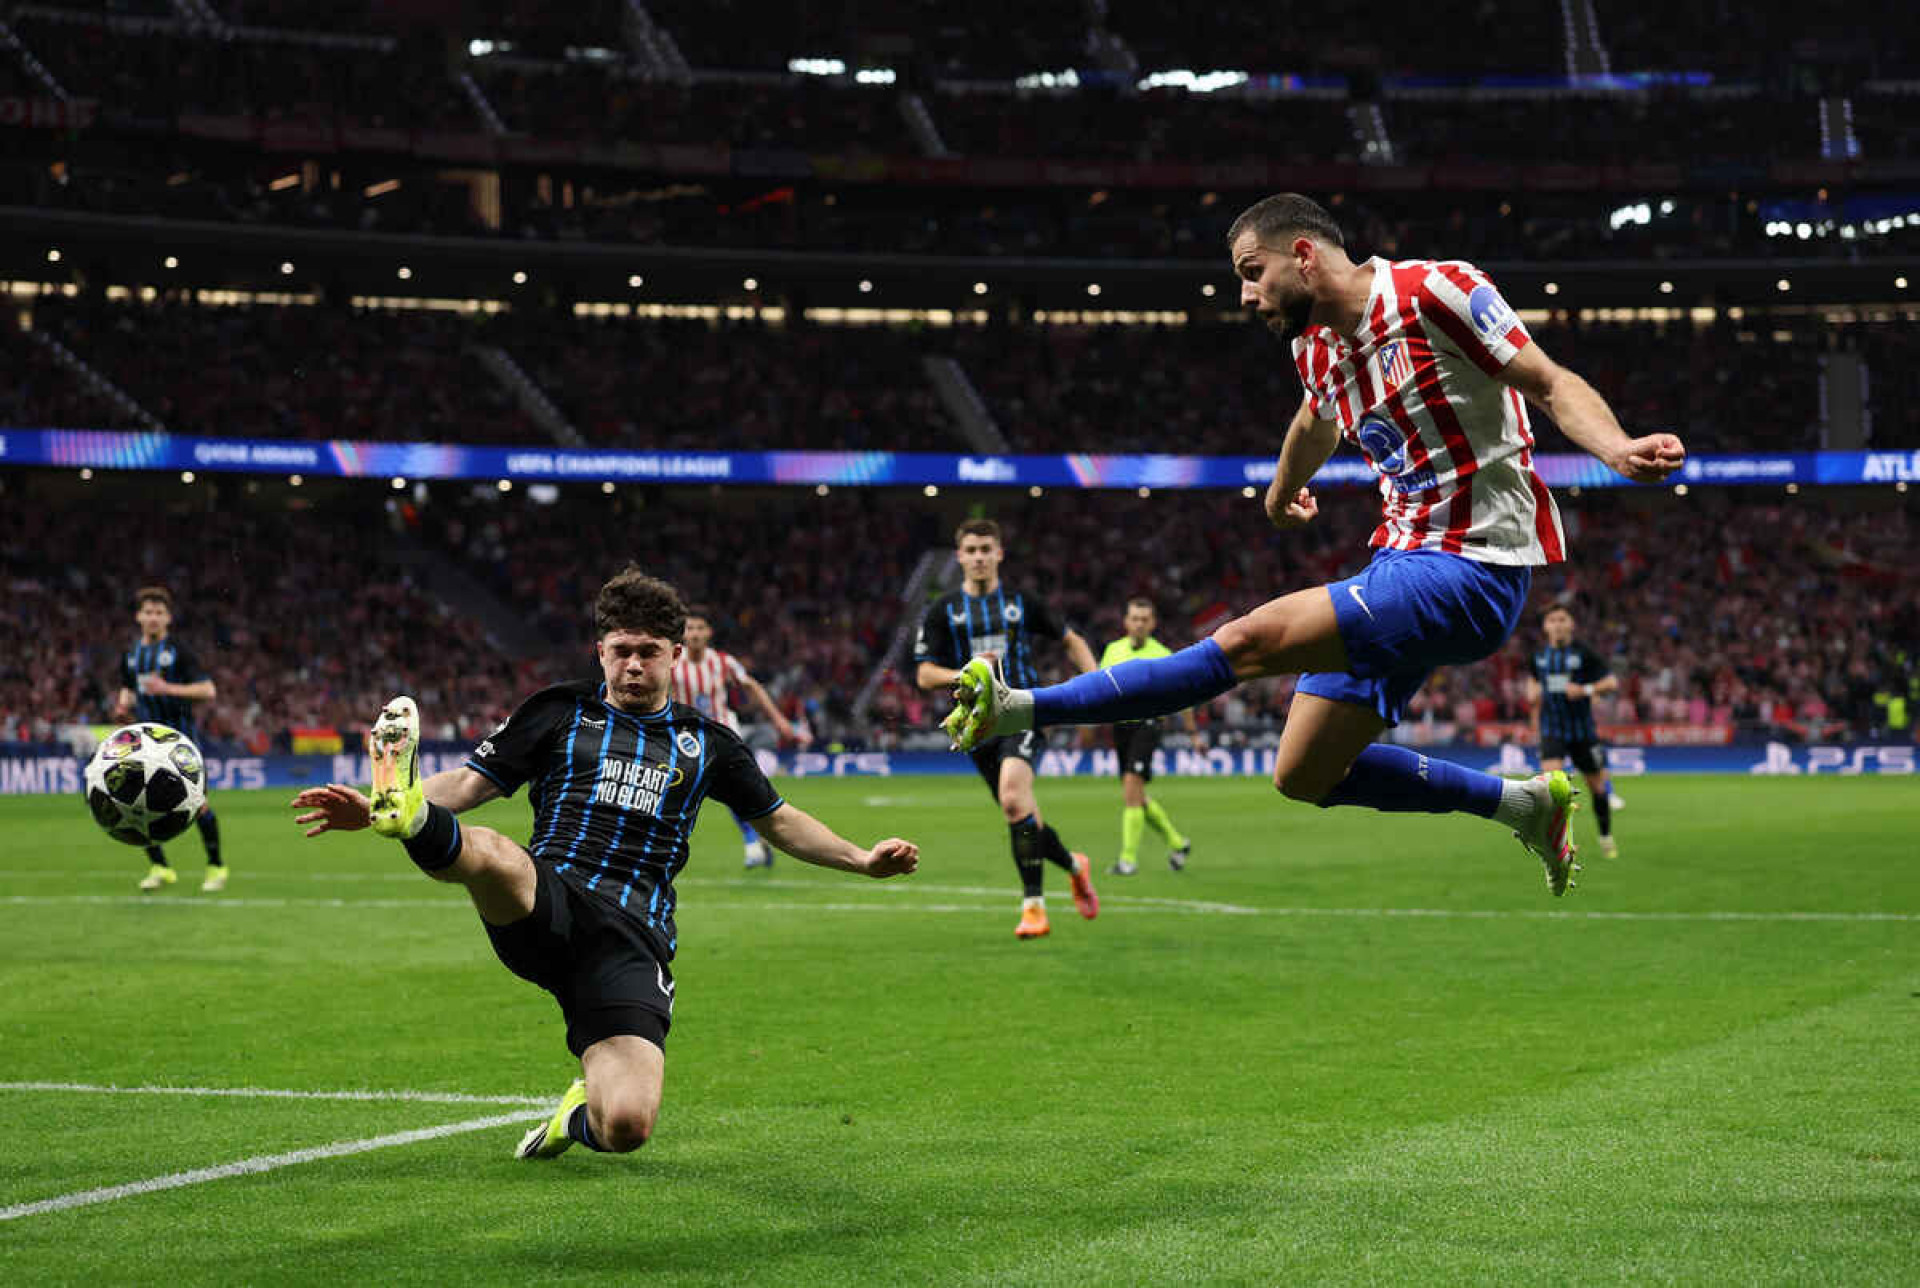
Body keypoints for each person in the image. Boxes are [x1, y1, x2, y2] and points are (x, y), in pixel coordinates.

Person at [943, 193, 1687, 896]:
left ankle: (1019, 708)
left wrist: (1616, 449)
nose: (1244, 296)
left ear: (1303, 255)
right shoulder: (1317, 347)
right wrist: (1279, 492)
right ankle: (1522, 805)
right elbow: (1315, 420)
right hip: (1401, 558)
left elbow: (1549, 382)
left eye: (1251, 272)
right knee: (1304, 774)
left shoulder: (1436, 291)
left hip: (1475, 568)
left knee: (1245, 642)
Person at [290, 567, 917, 1161]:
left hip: (631, 939)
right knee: (495, 855)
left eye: (648, 651)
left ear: (675, 654)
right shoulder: (559, 711)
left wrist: (863, 860)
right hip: (550, 898)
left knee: (627, 1125)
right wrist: (378, 811)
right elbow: (471, 783)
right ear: (600, 652)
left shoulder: (709, 744)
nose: (633, 665)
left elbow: (779, 821)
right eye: (621, 651)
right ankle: (409, 816)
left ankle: (571, 1119)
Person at [914, 518, 1101, 939]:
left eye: (986, 549)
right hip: (976, 726)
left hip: (1025, 711)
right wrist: (969, 674)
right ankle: (1075, 865)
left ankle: (1033, 907)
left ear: (999, 553)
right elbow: (924, 674)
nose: (979, 557)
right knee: (1023, 816)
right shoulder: (943, 610)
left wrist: (1097, 688)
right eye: (971, 550)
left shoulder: (1022, 602)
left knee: (1014, 800)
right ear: (960, 556)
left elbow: (1071, 640)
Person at [671, 605, 811, 870]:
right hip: (686, 738)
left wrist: (779, 720)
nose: (695, 633)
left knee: (732, 790)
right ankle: (757, 841)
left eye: (700, 628)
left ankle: (752, 842)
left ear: (709, 632)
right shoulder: (673, 662)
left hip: (722, 734)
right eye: (690, 628)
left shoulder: (722, 662)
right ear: (683, 633)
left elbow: (752, 686)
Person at [115, 586, 226, 893]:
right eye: (148, 612)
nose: (153, 617)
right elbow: (128, 690)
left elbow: (208, 690)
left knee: (197, 805)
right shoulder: (131, 655)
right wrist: (122, 707)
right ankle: (160, 867)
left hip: (180, 743)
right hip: (144, 745)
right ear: (138, 617)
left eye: (159, 612)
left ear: (168, 618)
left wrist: (168, 689)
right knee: (134, 807)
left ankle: (216, 866)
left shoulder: (179, 651)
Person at [1097, 597, 1194, 876]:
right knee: (1136, 795)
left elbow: (1184, 695)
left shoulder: (1162, 654)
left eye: (1144, 619)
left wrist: (1192, 732)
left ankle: (1127, 861)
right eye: (1134, 618)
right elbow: (1100, 687)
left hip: (1147, 725)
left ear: (1153, 623)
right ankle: (1178, 843)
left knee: (1131, 792)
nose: (1139, 624)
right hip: (1121, 727)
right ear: (1126, 622)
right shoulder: (1113, 650)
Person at [1528, 605, 1621, 858]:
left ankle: (1605, 836)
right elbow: (1534, 683)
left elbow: (1611, 683)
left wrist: (1586, 690)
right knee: (1552, 789)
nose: (1557, 624)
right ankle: (1560, 844)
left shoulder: (1584, 653)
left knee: (1598, 788)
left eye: (1562, 619)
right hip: (1552, 730)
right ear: (1545, 626)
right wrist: (1532, 698)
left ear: (1571, 624)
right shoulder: (1538, 656)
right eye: (1552, 620)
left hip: (1582, 732)